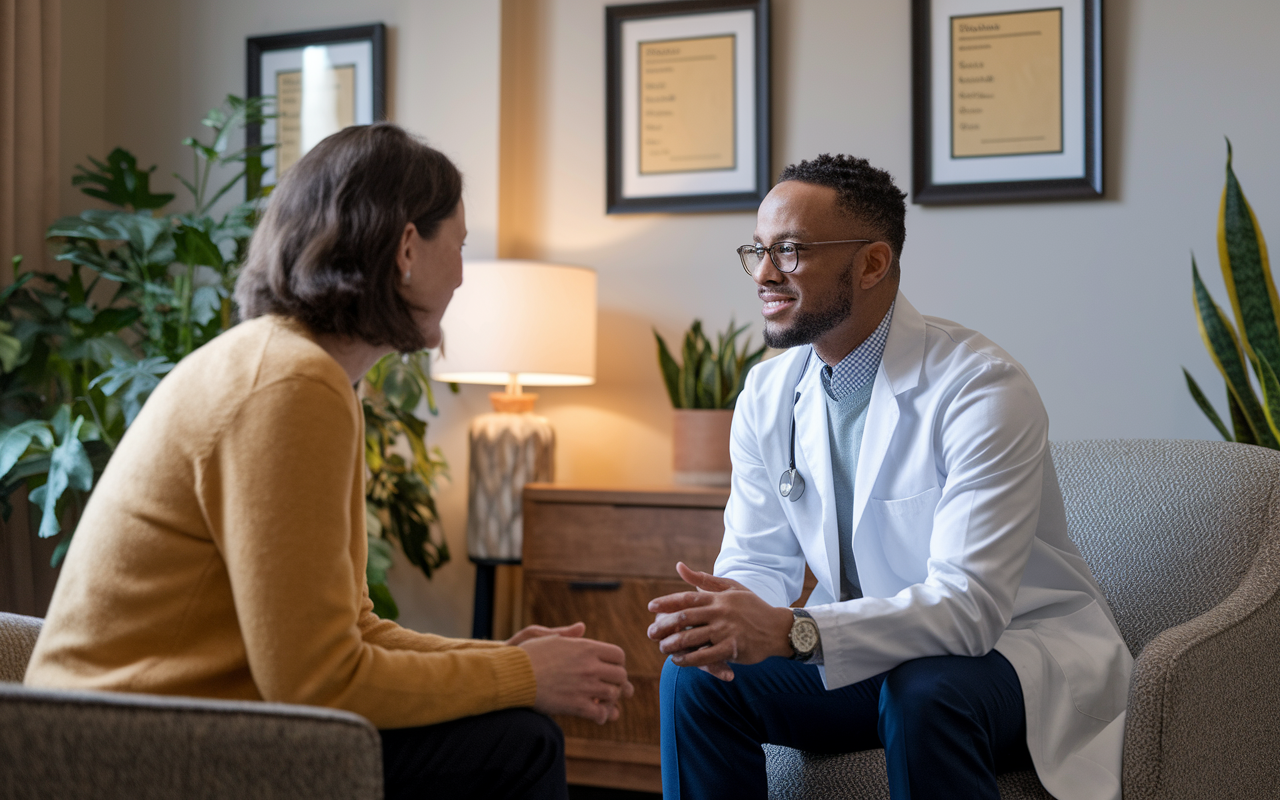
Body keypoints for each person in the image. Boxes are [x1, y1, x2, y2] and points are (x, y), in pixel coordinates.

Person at [25, 123, 633, 800]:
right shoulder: (290, 386)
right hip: (116, 748)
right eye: (458, 245)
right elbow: (318, 680)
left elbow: (355, 627)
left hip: (159, 720)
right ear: (408, 248)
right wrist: (523, 678)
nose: (462, 273)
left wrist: (511, 661)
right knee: (517, 745)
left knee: (511, 725)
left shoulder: (303, 371)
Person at [647, 154, 1131, 800]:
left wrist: (794, 633)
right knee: (700, 679)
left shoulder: (980, 389)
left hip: (1011, 656)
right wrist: (722, 619)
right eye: (757, 250)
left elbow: (969, 610)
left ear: (873, 264)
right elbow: (760, 560)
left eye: (790, 251)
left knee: (925, 691)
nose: (764, 274)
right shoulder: (768, 394)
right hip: (869, 653)